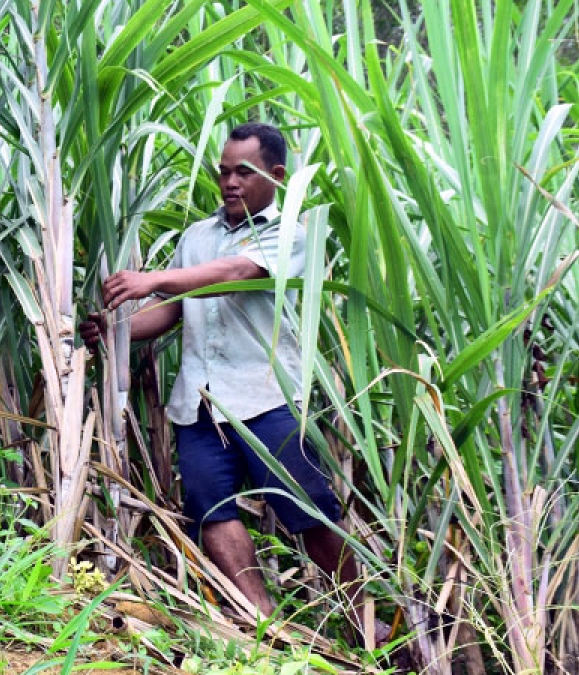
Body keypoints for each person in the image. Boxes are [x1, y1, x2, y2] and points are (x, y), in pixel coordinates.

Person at [80, 122, 385, 646]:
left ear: (277, 175)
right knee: (209, 508)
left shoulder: (291, 232)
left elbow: (237, 274)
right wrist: (115, 330)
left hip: (267, 398)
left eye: (243, 171)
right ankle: (267, 628)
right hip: (199, 405)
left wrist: (150, 278)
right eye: (223, 172)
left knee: (311, 513)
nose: (230, 182)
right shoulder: (196, 236)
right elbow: (171, 311)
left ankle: (366, 623)